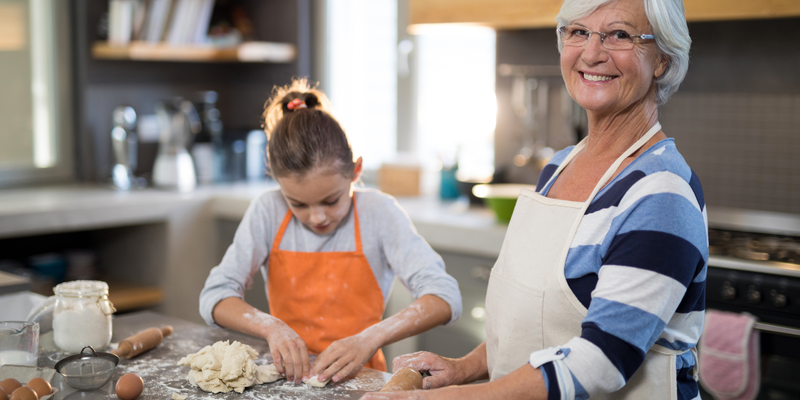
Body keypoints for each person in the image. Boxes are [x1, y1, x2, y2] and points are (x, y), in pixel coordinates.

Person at [364, 0, 706, 399]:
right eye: (578, 32)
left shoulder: (661, 193)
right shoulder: (559, 168)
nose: (593, 53)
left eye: (619, 35)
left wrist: (448, 398)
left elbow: (601, 361)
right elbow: (536, 327)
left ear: (662, 59)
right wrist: (463, 368)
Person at [199, 79, 462, 386]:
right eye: (297, 203)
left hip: (363, 379)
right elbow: (215, 296)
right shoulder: (267, 211)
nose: (318, 216)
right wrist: (272, 328)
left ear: (356, 171)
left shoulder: (378, 213)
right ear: (274, 177)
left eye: (331, 199)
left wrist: (370, 338)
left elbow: (445, 296)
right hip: (287, 381)